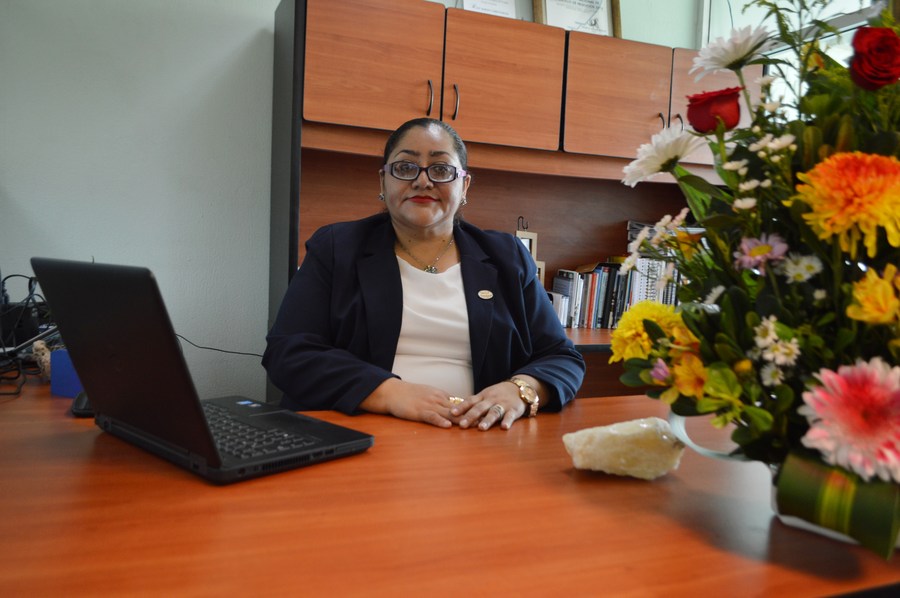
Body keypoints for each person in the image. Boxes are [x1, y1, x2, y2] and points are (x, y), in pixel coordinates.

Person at [263, 118, 584, 430]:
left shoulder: (507, 256)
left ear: (464, 185)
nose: (423, 181)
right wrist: (388, 392)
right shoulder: (337, 248)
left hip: (476, 437)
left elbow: (562, 357)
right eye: (405, 167)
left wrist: (521, 389)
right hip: (360, 433)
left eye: (441, 169)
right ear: (382, 181)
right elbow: (289, 351)